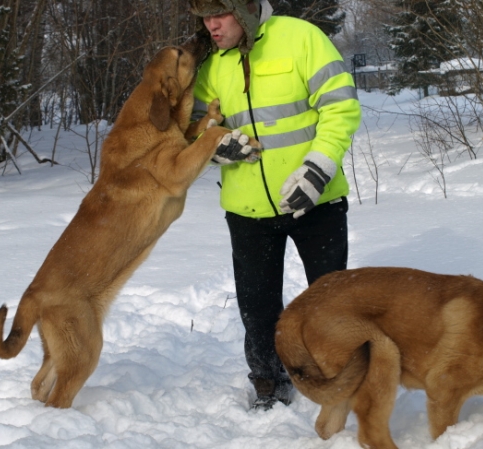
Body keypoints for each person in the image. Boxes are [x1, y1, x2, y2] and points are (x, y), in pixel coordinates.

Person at [189, 0, 361, 410]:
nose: (211, 25)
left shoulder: (300, 38)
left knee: (333, 300)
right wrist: (216, 145)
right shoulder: (212, 65)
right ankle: (269, 381)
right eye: (205, 17)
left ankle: (345, 378)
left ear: (245, 9)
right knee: (258, 307)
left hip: (316, 201)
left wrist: (318, 168)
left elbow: (341, 107)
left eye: (220, 14)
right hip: (248, 211)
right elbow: (195, 127)